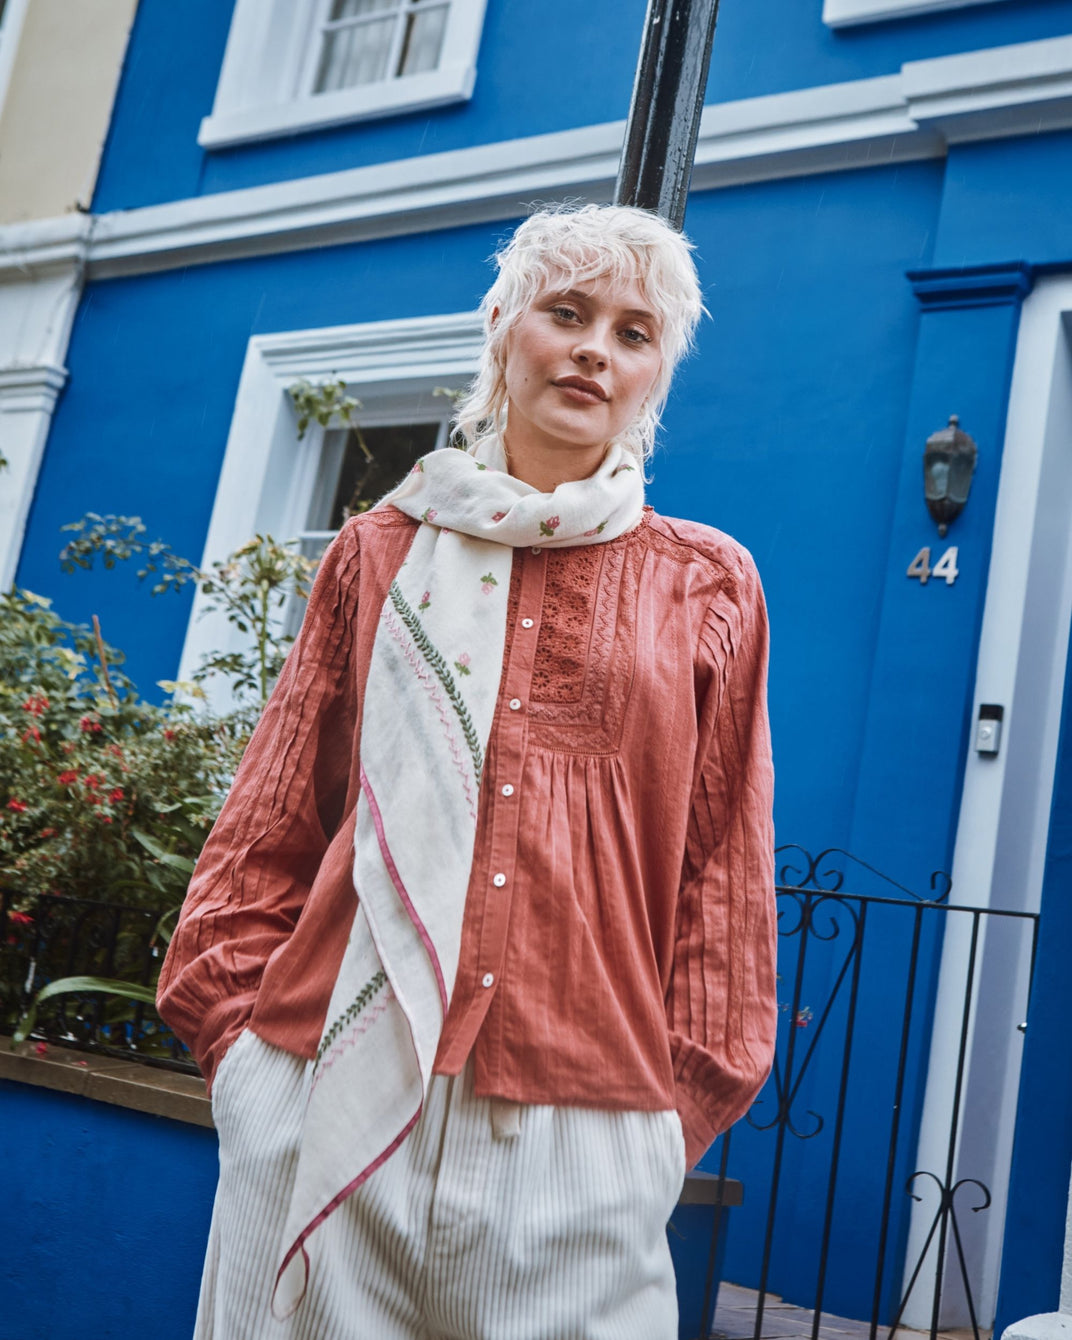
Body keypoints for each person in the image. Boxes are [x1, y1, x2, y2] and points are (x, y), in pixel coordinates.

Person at [158, 202, 778, 1340]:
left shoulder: (707, 585)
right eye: (566, 312)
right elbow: (271, 820)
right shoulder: (377, 550)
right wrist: (244, 1054)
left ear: (656, 374)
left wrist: (668, 1120)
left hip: (579, 1135)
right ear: (503, 329)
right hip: (326, 1086)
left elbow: (723, 874)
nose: (594, 350)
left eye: (633, 332)